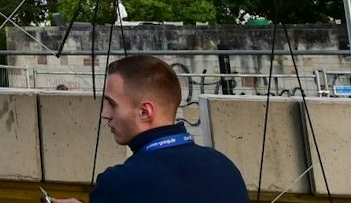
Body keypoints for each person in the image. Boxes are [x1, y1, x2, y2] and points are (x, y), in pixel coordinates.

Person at [49, 55, 245, 203]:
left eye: (112, 104)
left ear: (145, 111)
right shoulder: (225, 168)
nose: (105, 113)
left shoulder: (119, 184)